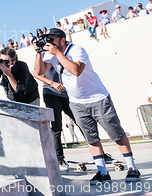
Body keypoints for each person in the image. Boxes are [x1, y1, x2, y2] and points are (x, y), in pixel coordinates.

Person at [34, 28, 141, 184]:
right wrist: (38, 53)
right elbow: (39, 71)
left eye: (52, 38)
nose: (49, 41)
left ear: (62, 40)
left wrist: (57, 54)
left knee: (115, 134)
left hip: (97, 98)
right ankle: (102, 172)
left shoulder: (77, 49)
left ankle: (132, 168)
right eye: (47, 38)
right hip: (77, 102)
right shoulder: (51, 54)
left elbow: (76, 70)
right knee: (91, 139)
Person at [33, 57, 78, 171]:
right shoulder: (43, 54)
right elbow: (36, 73)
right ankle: (59, 158)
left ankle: (99, 153)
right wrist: (52, 83)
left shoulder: (63, 51)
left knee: (81, 120)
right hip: (51, 92)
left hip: (66, 93)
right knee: (57, 127)